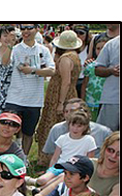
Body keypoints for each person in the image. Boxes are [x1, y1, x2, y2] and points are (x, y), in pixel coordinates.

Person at [4, 24, 55, 155]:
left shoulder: (43, 50)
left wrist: (33, 70)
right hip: (15, 97)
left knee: (28, 132)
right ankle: (7, 155)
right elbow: (5, 63)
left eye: (29, 28)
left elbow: (51, 70)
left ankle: (24, 158)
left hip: (34, 100)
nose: (26, 31)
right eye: (23, 28)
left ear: (37, 29)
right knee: (8, 129)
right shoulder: (15, 49)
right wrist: (9, 45)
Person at [35, 30, 82, 167]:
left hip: (59, 96)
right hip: (70, 94)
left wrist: (61, 103)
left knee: (51, 125)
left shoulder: (65, 59)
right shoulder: (75, 56)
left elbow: (65, 81)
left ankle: (46, 159)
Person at [30, 110, 96, 188]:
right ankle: (34, 182)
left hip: (74, 169)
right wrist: (50, 169)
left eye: (79, 126)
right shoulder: (62, 138)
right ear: (69, 125)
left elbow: (90, 160)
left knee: (61, 179)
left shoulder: (89, 140)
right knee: (41, 180)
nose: (75, 129)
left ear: (85, 127)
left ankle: (39, 189)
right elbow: (55, 158)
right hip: (60, 165)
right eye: (73, 125)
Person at [42, 98, 111, 159]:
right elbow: (51, 154)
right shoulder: (57, 129)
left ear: (84, 112)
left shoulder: (103, 132)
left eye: (72, 111)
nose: (68, 114)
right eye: (66, 111)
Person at [93, 36, 120, 131]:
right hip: (112, 100)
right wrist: (111, 70)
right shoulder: (112, 44)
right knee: (107, 135)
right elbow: (97, 70)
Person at [81, 37, 109, 118]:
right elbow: (84, 84)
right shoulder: (90, 66)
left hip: (105, 101)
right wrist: (83, 101)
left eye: (103, 48)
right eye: (98, 48)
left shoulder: (112, 66)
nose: (100, 51)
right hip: (91, 101)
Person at [88, 132, 120, 196]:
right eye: (110, 150)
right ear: (104, 149)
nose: (113, 156)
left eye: (119, 154)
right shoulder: (89, 163)